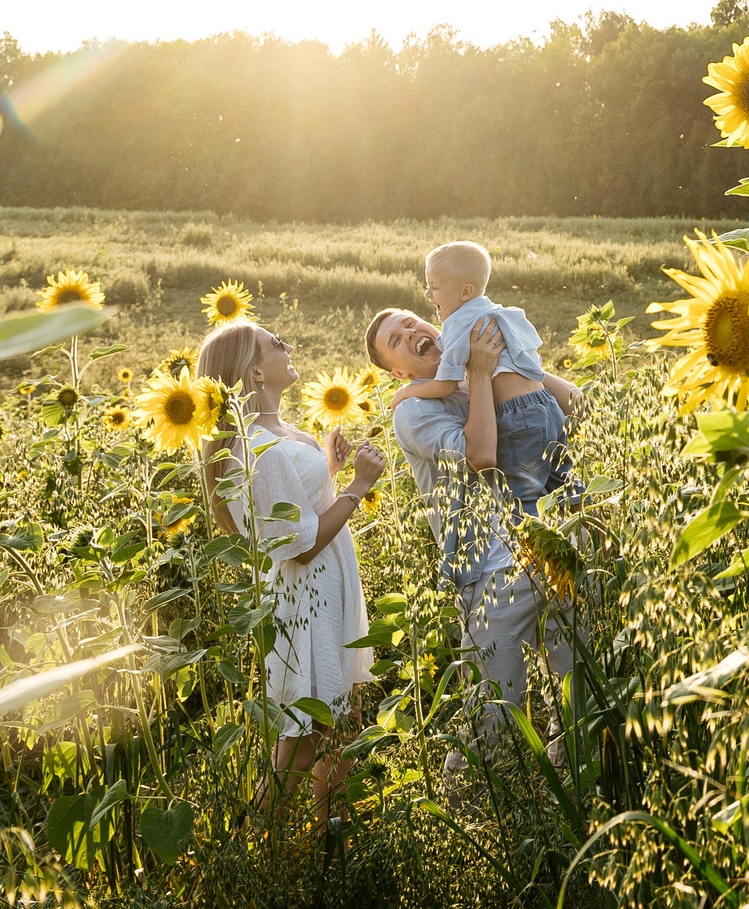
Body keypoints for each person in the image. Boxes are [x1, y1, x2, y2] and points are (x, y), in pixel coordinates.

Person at [367, 309, 578, 763]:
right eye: (397, 340)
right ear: (399, 373)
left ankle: (576, 803)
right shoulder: (414, 411)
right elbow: (481, 456)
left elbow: (572, 404)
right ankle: (475, 809)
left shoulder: (475, 374)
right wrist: (480, 376)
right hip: (490, 577)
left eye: (411, 322)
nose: (412, 332)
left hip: (550, 545)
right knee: (491, 720)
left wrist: (513, 357)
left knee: (580, 700)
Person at [199, 319, 384, 810]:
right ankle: (262, 858)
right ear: (254, 372)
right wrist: (357, 488)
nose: (290, 344)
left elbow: (296, 511)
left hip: (328, 587)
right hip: (305, 595)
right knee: (302, 742)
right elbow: (298, 546)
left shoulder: (276, 432)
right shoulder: (256, 446)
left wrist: (328, 471)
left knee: (343, 725)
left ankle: (329, 849)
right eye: (276, 343)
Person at [385, 240, 579, 503]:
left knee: (523, 502)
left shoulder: (458, 327)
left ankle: (537, 539)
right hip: (547, 409)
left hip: (517, 415)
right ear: (397, 372)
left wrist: (410, 390)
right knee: (571, 491)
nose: (427, 295)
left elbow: (445, 386)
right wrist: (482, 370)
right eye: (396, 341)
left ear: (465, 292)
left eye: (434, 287)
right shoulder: (496, 313)